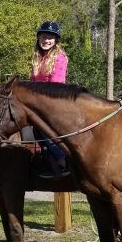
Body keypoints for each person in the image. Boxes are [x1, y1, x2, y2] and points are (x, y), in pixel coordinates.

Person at [29, 20, 70, 178]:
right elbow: (32, 83)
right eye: (43, 37)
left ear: (55, 40)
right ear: (38, 38)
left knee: (46, 131)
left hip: (54, 102)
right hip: (37, 103)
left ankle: (63, 162)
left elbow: (55, 87)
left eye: (50, 37)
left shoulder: (59, 57)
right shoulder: (37, 58)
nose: (46, 40)